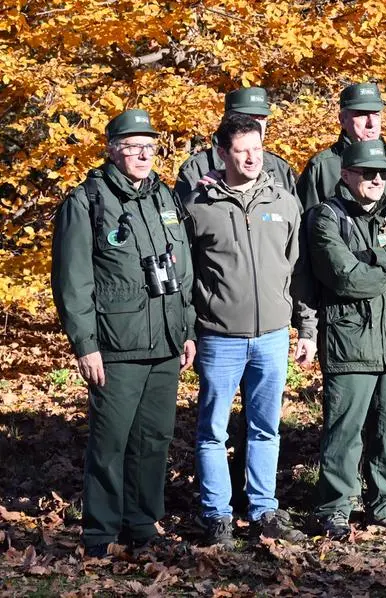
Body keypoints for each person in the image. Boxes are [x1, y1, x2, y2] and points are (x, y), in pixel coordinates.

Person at [51, 109, 196, 557]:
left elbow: (183, 269)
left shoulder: (164, 197)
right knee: (111, 441)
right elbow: (73, 282)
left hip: (167, 342)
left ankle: (141, 523)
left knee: (154, 439)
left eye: (149, 147)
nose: (142, 154)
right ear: (113, 150)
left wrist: (186, 329)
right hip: (116, 345)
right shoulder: (87, 200)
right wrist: (85, 345)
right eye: (133, 147)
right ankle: (100, 532)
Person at [182, 112, 317, 547]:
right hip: (219, 336)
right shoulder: (197, 207)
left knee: (266, 427)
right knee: (212, 430)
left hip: (273, 336)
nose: (251, 158)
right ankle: (216, 515)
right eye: (241, 151)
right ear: (221, 154)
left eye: (257, 149)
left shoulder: (283, 201)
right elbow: (185, 279)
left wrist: (307, 329)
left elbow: (299, 272)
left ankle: (263, 511)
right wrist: (189, 330)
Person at [306, 140, 386, 540]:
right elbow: (344, 277)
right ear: (346, 175)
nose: (377, 180)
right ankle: (335, 507)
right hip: (350, 343)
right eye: (368, 173)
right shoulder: (326, 216)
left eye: (382, 174)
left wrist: (377, 258)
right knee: (345, 432)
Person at [297, 82, 386, 212]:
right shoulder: (322, 167)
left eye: (376, 114)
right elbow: (306, 224)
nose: (371, 123)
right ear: (342, 120)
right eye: (362, 114)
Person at [175, 86, 299, 203]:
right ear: (228, 120)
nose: (256, 123)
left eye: (262, 118)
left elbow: (297, 218)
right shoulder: (198, 167)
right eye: (249, 117)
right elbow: (182, 218)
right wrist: (199, 196)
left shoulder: (279, 167)